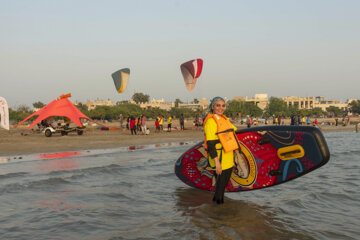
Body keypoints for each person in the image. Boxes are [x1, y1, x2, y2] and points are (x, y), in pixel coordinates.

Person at [203, 97, 248, 204]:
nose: (221, 108)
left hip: (227, 159)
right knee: (220, 189)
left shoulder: (224, 119)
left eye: (223, 105)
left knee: (221, 187)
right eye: (218, 105)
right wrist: (217, 163)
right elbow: (210, 144)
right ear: (212, 107)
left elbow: (234, 131)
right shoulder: (211, 121)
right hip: (219, 159)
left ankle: (216, 211)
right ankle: (218, 214)